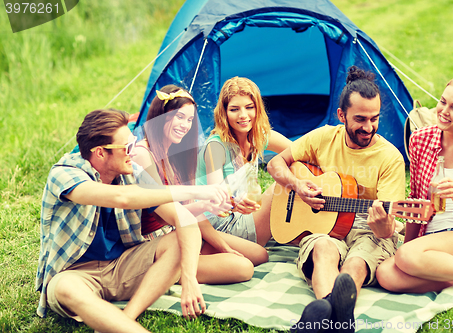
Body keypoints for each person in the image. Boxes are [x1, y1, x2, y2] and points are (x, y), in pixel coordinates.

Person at [36, 109, 230, 333]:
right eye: (126, 147)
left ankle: (126, 317)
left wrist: (189, 278)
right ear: (100, 153)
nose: (133, 152)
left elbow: (183, 218)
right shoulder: (64, 174)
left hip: (122, 265)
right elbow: (123, 198)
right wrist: (200, 190)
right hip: (75, 272)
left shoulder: (132, 171)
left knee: (181, 240)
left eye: (133, 142)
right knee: (66, 290)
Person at [267, 66, 406, 333]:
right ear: (341, 114)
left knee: (356, 261)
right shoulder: (323, 137)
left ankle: (323, 316)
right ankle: (341, 320)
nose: (369, 127)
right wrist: (297, 185)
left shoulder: (390, 158)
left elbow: (388, 229)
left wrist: (383, 225)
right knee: (323, 250)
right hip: (324, 227)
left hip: (369, 228)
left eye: (375, 118)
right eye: (360, 119)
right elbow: (276, 162)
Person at [132, 85, 268, 284]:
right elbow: (164, 209)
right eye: (179, 117)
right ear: (160, 116)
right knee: (243, 268)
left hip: (185, 230)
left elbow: (190, 211)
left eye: (189, 119)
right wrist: (205, 204)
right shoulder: (143, 154)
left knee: (258, 254)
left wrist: (223, 246)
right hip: (158, 243)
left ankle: (198, 258)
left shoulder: (177, 153)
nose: (185, 126)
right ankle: (170, 270)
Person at [376, 75, 453, 293]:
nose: (444, 111)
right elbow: (416, 200)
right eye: (443, 102)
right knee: (385, 274)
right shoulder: (420, 140)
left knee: (407, 256)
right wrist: (408, 244)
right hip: (432, 238)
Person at [196, 76, 291, 246]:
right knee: (283, 185)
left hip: (246, 215)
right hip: (221, 225)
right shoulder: (216, 147)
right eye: (234, 109)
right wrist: (233, 201)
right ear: (224, 113)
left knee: (297, 169)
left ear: (258, 109)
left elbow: (299, 150)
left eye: (249, 107)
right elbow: (215, 196)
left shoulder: (258, 137)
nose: (243, 115)